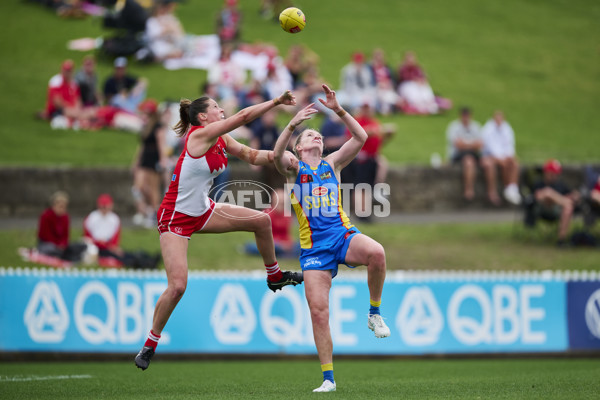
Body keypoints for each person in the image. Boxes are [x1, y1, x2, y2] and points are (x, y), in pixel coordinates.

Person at [134, 90, 304, 371]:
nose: (221, 109)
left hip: (202, 210)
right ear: (203, 117)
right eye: (216, 107)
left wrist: (280, 156)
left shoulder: (221, 138)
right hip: (174, 216)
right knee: (177, 286)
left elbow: (250, 155)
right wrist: (275, 102)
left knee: (262, 221)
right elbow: (243, 116)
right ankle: (150, 344)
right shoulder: (199, 135)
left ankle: (274, 277)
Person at [273, 85, 390, 393]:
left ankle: (374, 313)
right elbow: (275, 155)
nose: (318, 137)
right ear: (299, 147)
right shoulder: (293, 167)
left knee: (377, 253)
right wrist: (292, 124)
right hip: (313, 250)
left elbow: (361, 138)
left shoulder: (333, 163)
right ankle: (328, 379)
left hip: (342, 236)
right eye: (310, 136)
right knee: (318, 311)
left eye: (319, 135)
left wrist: (338, 109)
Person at [84, 193, 160, 269]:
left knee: (129, 254)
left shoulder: (114, 219)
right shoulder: (91, 218)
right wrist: (106, 245)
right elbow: (88, 238)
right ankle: (145, 263)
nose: (104, 208)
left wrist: (112, 246)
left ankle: (148, 258)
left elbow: (115, 237)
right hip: (98, 250)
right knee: (122, 258)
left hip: (110, 247)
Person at [526, 159, 581, 246]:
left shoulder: (560, 184)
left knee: (568, 208)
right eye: (551, 174)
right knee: (547, 192)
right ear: (546, 173)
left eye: (556, 174)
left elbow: (572, 194)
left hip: (556, 211)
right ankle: (565, 202)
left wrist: (575, 196)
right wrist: (561, 199)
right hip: (541, 210)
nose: (554, 176)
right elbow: (536, 197)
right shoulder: (538, 183)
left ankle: (561, 241)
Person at [131, 99, 167, 228]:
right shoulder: (145, 126)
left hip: (154, 159)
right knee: (137, 187)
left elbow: (161, 144)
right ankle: (144, 211)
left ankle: (154, 214)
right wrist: (136, 161)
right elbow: (142, 145)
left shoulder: (158, 127)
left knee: (153, 189)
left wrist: (163, 160)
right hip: (145, 159)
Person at [244, 188, 300, 258]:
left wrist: (288, 244)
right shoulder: (266, 214)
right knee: (253, 246)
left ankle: (283, 254)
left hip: (285, 245)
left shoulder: (288, 215)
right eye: (279, 202)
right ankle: (284, 255)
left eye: (283, 203)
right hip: (271, 243)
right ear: (274, 201)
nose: (281, 205)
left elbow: (287, 235)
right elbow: (262, 236)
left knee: (301, 244)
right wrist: (280, 245)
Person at [480, 110, 522, 205]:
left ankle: (512, 189)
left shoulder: (507, 128)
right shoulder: (488, 129)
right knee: (492, 165)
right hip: (490, 156)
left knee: (515, 162)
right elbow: (490, 147)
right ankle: (492, 192)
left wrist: (507, 157)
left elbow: (509, 145)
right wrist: (500, 159)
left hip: (503, 156)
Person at [446, 107, 486, 203]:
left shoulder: (476, 126)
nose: (466, 118)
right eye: (464, 116)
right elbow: (458, 145)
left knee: (488, 163)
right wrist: (472, 144)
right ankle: (469, 190)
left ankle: (492, 192)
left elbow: (480, 144)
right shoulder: (454, 127)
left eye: (467, 116)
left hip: (474, 153)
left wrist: (466, 144)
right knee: (469, 161)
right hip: (457, 155)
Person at [37, 191, 87, 262]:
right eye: (60, 206)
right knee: (50, 249)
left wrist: (63, 244)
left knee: (81, 246)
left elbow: (66, 235)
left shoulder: (65, 217)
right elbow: (45, 235)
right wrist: (58, 245)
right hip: (48, 243)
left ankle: (65, 255)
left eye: (64, 207)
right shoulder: (45, 216)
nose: (62, 209)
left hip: (61, 246)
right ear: (54, 205)